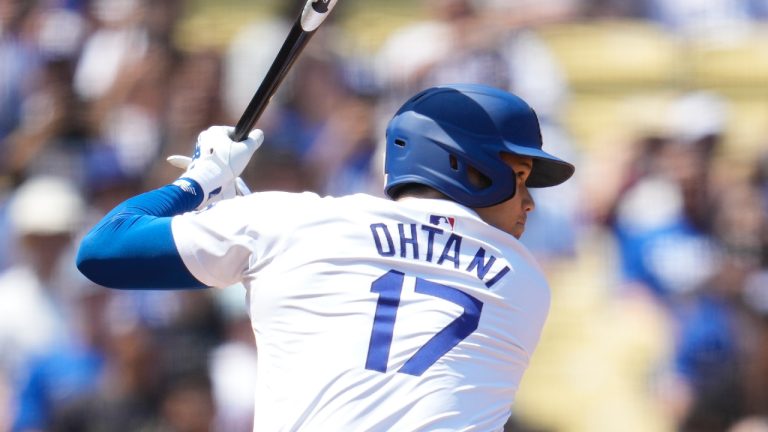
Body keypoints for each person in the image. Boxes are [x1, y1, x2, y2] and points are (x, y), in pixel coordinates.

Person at [77, 83, 575, 430]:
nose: (529, 202)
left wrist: (202, 182)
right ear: (470, 168)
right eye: (522, 177)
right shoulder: (525, 283)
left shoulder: (289, 223)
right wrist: (251, 225)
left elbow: (104, 249)